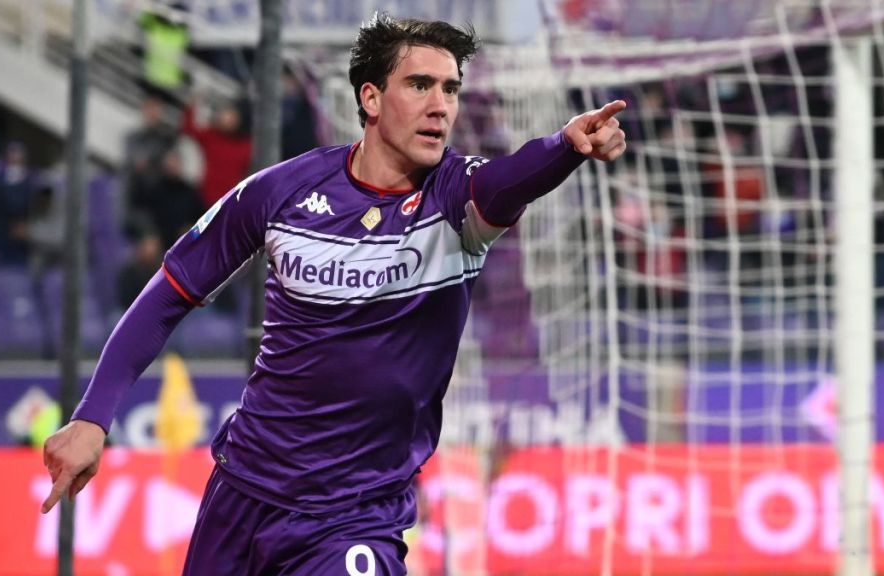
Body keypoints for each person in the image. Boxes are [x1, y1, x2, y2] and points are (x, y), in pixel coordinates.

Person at [41, 13, 627, 575]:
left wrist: (565, 147)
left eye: (450, 89)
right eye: (419, 85)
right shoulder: (280, 193)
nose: (440, 105)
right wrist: (92, 417)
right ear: (371, 98)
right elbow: (169, 292)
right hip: (242, 495)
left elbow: (510, 178)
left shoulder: (457, 201)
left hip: (355, 517)